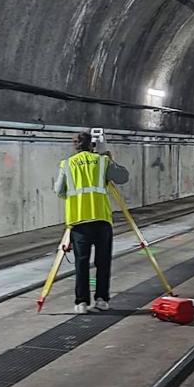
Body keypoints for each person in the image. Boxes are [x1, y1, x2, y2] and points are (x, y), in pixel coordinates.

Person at [54, 132, 130, 313]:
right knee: (103, 262)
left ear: (75, 146)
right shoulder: (102, 161)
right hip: (102, 220)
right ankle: (102, 300)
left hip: (79, 221)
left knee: (81, 262)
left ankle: (81, 302)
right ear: (92, 145)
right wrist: (110, 159)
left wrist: (73, 198)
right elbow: (123, 177)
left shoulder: (67, 164)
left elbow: (59, 190)